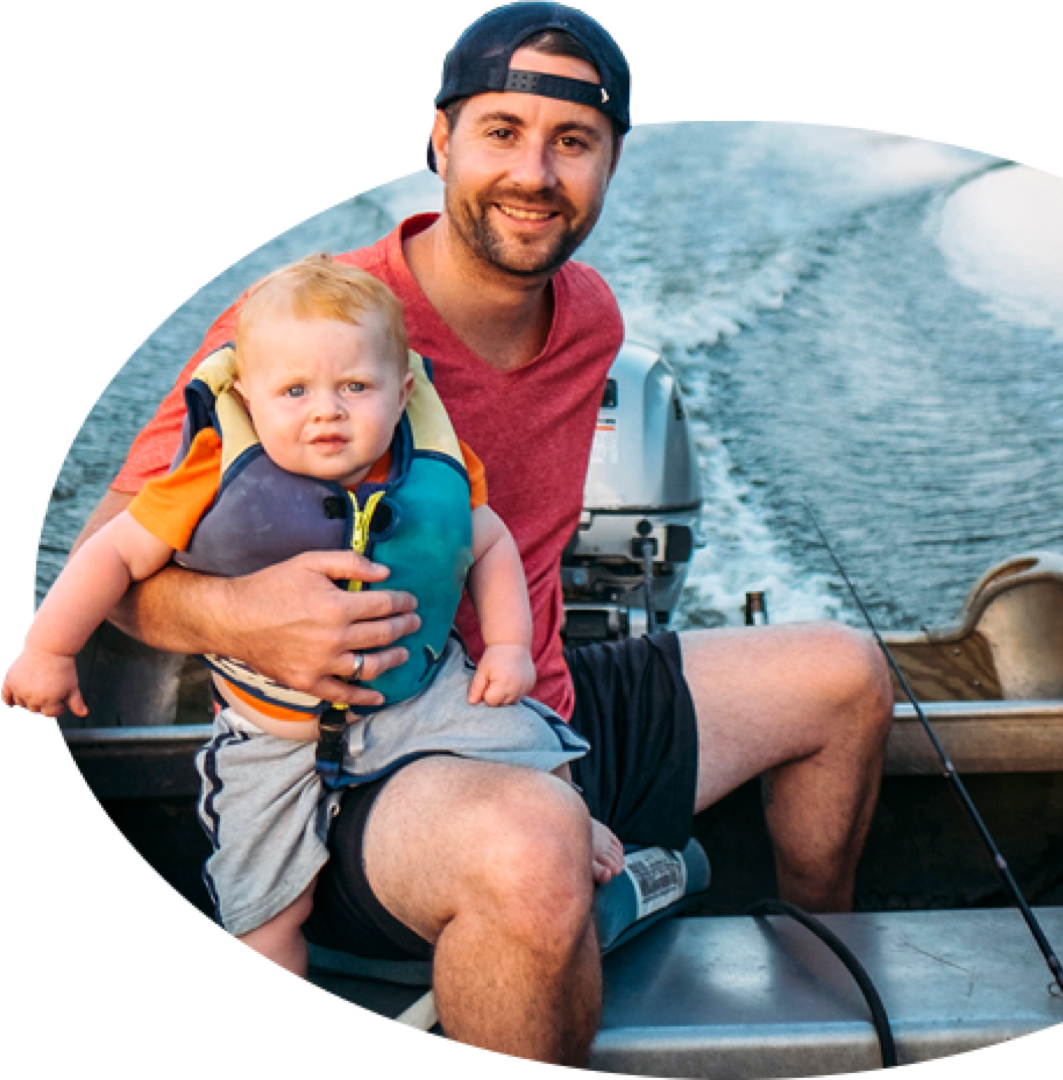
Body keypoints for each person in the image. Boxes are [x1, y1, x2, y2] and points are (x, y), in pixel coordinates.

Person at [71, 1, 893, 1064]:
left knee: (842, 675)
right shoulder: (309, 334)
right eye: (501, 132)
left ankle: (823, 993)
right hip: (357, 765)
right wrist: (241, 614)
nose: (534, 173)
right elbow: (110, 553)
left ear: (612, 161)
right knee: (528, 844)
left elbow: (512, 547)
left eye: (573, 143)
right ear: (440, 139)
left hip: (537, 709)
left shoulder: (591, 317)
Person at [2, 253, 621, 976]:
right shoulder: (210, 469)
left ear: (404, 391)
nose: (326, 409)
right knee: (262, 913)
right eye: (293, 390)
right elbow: (111, 556)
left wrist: (511, 645)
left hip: (422, 697)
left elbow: (489, 542)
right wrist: (49, 651)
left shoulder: (438, 466)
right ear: (249, 398)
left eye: (355, 386)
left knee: (538, 745)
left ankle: (579, 824)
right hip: (274, 732)